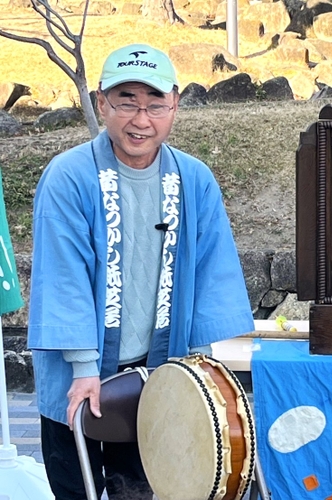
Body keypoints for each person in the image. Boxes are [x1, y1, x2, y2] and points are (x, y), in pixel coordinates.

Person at [27, 43, 254, 500]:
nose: (141, 119)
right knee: (77, 489)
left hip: (163, 373)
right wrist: (84, 368)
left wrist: (200, 365)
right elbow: (62, 274)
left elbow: (214, 273)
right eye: (126, 101)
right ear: (100, 103)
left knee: (152, 489)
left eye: (155, 104)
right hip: (82, 374)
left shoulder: (194, 179)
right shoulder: (68, 177)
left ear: (175, 105)